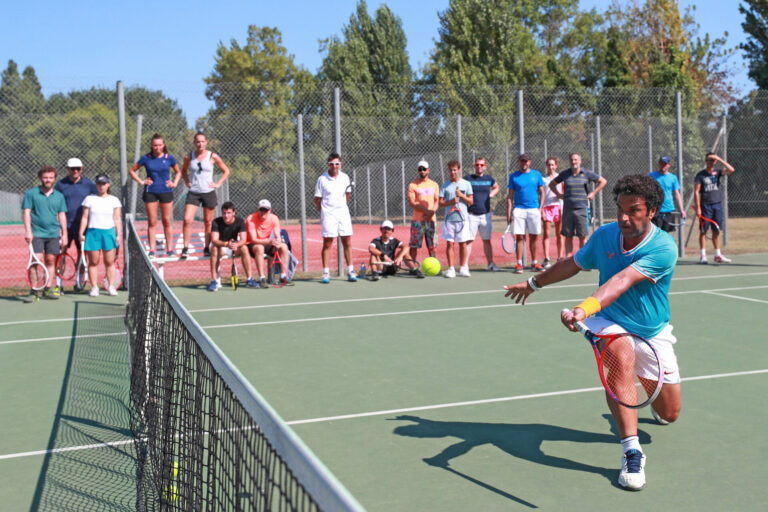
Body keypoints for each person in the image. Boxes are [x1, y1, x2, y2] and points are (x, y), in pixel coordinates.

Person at [504, 175, 681, 492]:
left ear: (652, 211)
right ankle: (631, 450)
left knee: (670, 413)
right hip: (609, 320)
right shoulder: (605, 237)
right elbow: (573, 263)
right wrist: (533, 284)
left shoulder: (664, 247)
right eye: (620, 210)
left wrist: (582, 308)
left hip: (652, 331)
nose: (624, 218)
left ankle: (642, 390)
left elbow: (622, 281)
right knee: (618, 352)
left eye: (634, 210)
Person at [128, 133, 181, 258]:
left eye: (159, 145)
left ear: (163, 145)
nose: (157, 147)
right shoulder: (146, 158)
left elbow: (178, 172)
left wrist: (175, 183)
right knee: (152, 222)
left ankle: (169, 250)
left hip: (166, 191)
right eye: (155, 145)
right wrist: (141, 181)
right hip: (150, 192)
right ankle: (152, 251)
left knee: (167, 221)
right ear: (151, 146)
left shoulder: (169, 158)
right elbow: (132, 170)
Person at [180, 132, 231, 259]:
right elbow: (183, 171)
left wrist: (218, 184)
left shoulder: (212, 156)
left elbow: (226, 171)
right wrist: (187, 181)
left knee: (208, 222)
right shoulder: (189, 157)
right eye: (198, 141)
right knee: (187, 219)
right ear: (194, 143)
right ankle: (185, 248)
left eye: (202, 141)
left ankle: (206, 247)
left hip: (208, 192)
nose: (200, 144)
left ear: (206, 142)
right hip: (194, 192)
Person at [21, 166, 68, 300]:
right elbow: (26, 213)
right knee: (36, 261)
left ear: (54, 179)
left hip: (53, 234)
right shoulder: (31, 193)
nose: (48, 180)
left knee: (50, 260)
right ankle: (34, 291)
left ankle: (47, 289)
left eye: (51, 177)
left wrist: (64, 234)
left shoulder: (59, 196)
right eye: (45, 177)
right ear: (41, 178)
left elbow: (62, 215)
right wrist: (28, 231)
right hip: (36, 233)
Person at [549, 152, 607, 258]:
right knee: (568, 236)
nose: (573, 162)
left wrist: (593, 193)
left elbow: (603, 181)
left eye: (576, 160)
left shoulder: (587, 173)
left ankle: (583, 260)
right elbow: (551, 184)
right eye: (572, 160)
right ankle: (568, 260)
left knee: (582, 236)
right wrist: (558, 194)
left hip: (582, 209)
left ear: (580, 161)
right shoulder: (565, 174)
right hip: (567, 210)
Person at [314, 152, 357, 283]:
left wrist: (340, 208)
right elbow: (317, 200)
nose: (334, 166)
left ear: (340, 164)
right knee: (327, 243)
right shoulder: (322, 179)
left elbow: (347, 197)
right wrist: (326, 212)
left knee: (347, 242)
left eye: (337, 164)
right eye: (332, 164)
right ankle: (326, 273)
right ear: (328, 165)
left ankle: (350, 271)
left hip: (343, 214)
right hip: (328, 215)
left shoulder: (345, 178)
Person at [55, 157, 97, 288]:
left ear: (82, 169)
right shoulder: (60, 185)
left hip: (82, 227)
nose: (75, 171)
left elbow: (97, 200)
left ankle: (78, 283)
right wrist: (60, 228)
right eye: (72, 169)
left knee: (82, 255)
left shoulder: (89, 184)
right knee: (61, 255)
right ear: (67, 169)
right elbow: (56, 205)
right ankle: (58, 284)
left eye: (78, 169)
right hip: (65, 226)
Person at [78, 174, 123, 297]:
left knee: (110, 261)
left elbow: (117, 218)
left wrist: (118, 234)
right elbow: (85, 217)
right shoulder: (89, 199)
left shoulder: (114, 200)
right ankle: (94, 288)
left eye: (104, 184)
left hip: (109, 233)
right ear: (96, 185)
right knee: (93, 262)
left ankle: (111, 287)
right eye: (99, 184)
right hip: (93, 233)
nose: (101, 186)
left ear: (108, 184)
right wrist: (81, 232)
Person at [506, 153, 545, 273]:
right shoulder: (514, 176)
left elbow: (542, 192)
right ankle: (519, 264)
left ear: (530, 162)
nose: (524, 163)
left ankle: (535, 263)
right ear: (519, 162)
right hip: (519, 210)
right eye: (522, 161)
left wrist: (540, 209)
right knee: (519, 237)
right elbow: (510, 196)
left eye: (526, 161)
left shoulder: (536, 174)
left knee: (534, 237)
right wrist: (509, 212)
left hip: (534, 209)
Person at [694, 152, 736, 264]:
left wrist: (719, 158)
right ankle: (703, 255)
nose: (710, 162)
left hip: (717, 205)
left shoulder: (718, 172)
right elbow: (696, 191)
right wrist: (698, 207)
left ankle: (718, 255)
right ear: (705, 161)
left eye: (712, 160)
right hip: (705, 206)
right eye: (708, 160)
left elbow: (731, 170)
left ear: (715, 161)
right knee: (703, 230)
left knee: (716, 230)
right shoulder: (700, 175)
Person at [207, 201, 256, 291]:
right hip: (220, 246)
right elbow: (214, 240)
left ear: (234, 213)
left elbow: (243, 240)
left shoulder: (240, 221)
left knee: (244, 248)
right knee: (214, 249)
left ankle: (249, 279)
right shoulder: (216, 222)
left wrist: (236, 245)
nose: (226, 216)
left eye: (229, 213)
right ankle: (214, 281)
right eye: (224, 213)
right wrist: (226, 244)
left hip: (233, 247)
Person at [464, 157, 501, 271]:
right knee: (469, 241)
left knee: (487, 241)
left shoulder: (489, 179)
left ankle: (490, 264)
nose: (479, 167)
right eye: (477, 165)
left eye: (481, 165)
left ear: (485, 167)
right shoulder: (468, 179)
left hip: (486, 215)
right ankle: (464, 265)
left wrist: (490, 195)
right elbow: (460, 190)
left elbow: (497, 187)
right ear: (474, 166)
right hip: (471, 215)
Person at [439, 160, 473, 278]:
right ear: (448, 171)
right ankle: (451, 269)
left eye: (455, 170)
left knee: (463, 244)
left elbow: (470, 201)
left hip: (463, 219)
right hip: (449, 219)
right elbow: (441, 203)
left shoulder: (466, 184)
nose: (453, 172)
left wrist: (462, 195)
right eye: (451, 170)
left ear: (458, 170)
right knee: (450, 244)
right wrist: (451, 201)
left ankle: (463, 268)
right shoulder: (445, 186)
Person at [246, 199, 291, 288]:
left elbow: (277, 234)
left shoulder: (274, 218)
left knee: (284, 247)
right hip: (253, 245)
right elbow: (253, 239)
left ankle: (283, 276)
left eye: (265, 210)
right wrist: (269, 241)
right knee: (260, 248)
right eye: (261, 210)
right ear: (258, 209)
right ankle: (262, 278)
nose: (263, 212)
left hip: (268, 243)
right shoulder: (250, 219)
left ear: (269, 210)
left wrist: (278, 241)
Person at [406, 160, 440, 263]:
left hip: (431, 220)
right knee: (414, 245)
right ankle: (413, 267)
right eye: (420, 169)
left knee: (432, 245)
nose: (422, 171)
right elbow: (412, 202)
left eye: (424, 169)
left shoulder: (434, 185)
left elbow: (437, 201)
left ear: (428, 170)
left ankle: (434, 266)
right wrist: (426, 211)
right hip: (417, 221)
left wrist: (431, 213)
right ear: (418, 171)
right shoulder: (413, 185)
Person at [649, 156, 685, 233]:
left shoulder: (673, 178)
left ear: (669, 165)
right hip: (656, 209)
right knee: (655, 233)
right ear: (659, 164)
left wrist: (682, 210)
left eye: (665, 164)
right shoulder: (651, 176)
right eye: (661, 163)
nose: (663, 166)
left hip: (669, 210)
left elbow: (677, 194)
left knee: (666, 234)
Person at [541, 156, 565, 267]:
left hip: (558, 207)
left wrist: (564, 206)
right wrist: (541, 209)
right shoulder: (543, 179)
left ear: (556, 166)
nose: (551, 167)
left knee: (559, 234)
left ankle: (560, 257)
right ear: (546, 166)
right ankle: (546, 258)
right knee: (546, 234)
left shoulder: (561, 178)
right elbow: (540, 194)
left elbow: (564, 192)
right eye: (549, 165)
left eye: (552, 165)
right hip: (546, 207)